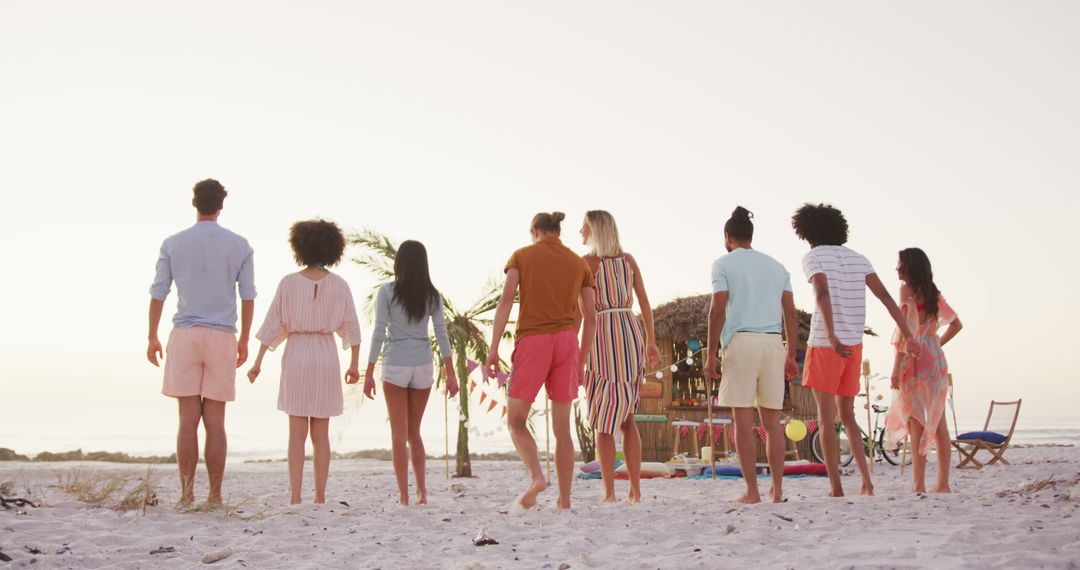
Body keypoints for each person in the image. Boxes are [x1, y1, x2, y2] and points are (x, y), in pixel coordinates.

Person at [791, 203, 920, 497]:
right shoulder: (859, 258)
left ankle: (836, 487)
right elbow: (886, 297)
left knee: (826, 419)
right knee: (847, 415)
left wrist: (833, 336)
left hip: (826, 343)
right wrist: (909, 335)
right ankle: (866, 482)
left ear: (807, 232)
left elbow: (822, 292)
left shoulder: (813, 257)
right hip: (854, 344)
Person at [147, 178, 255, 505]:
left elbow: (158, 293)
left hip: (186, 334)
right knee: (216, 422)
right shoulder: (239, 245)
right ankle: (215, 495)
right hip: (222, 335)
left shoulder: (173, 243)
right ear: (221, 206)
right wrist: (245, 340)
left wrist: (152, 335)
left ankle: (186, 494)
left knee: (187, 421)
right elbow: (248, 297)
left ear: (195, 204)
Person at [485, 212, 597, 510]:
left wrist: (493, 348)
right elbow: (591, 317)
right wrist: (582, 362)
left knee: (516, 420)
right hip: (566, 343)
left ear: (535, 230)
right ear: (557, 232)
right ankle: (564, 500)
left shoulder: (521, 256)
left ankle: (537, 477)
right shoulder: (579, 263)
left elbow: (506, 300)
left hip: (533, 342)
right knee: (563, 431)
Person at [246, 220, 361, 505]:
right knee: (320, 434)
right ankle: (320, 497)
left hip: (297, 355)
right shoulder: (340, 285)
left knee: (296, 434)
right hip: (325, 356)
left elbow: (273, 324)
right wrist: (354, 364)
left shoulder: (288, 283)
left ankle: (296, 497)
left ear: (300, 247)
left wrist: (258, 361)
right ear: (333, 248)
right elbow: (352, 328)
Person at [705, 207, 800, 504]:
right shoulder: (777, 267)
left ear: (727, 237)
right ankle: (777, 490)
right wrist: (790, 354)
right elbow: (791, 314)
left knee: (743, 424)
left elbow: (717, 311)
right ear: (750, 236)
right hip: (773, 343)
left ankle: (752, 491)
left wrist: (710, 353)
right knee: (773, 424)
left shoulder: (722, 264)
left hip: (742, 344)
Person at [362, 240, 459, 506]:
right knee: (414, 432)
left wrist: (368, 372)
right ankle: (422, 493)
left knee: (398, 434)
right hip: (423, 365)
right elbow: (441, 334)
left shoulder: (387, 292)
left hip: (395, 364)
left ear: (399, 263)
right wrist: (451, 373)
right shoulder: (432, 295)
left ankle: (404, 496)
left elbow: (379, 331)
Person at [578, 210, 660, 504]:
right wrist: (650, 341)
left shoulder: (587, 263)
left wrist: (576, 355)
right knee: (627, 418)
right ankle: (634, 490)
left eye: (584, 226)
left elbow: (580, 312)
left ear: (596, 230)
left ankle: (609, 492)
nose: (579, 231)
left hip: (602, 335)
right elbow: (645, 302)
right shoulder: (629, 261)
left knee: (603, 421)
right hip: (629, 333)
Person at [884, 248, 963, 493]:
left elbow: (903, 331)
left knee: (916, 421)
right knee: (939, 421)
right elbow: (957, 324)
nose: (897, 269)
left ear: (909, 267)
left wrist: (896, 366)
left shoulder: (906, 291)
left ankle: (918, 484)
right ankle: (943, 483)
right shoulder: (934, 293)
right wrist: (935, 342)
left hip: (915, 357)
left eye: (900, 265)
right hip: (935, 358)